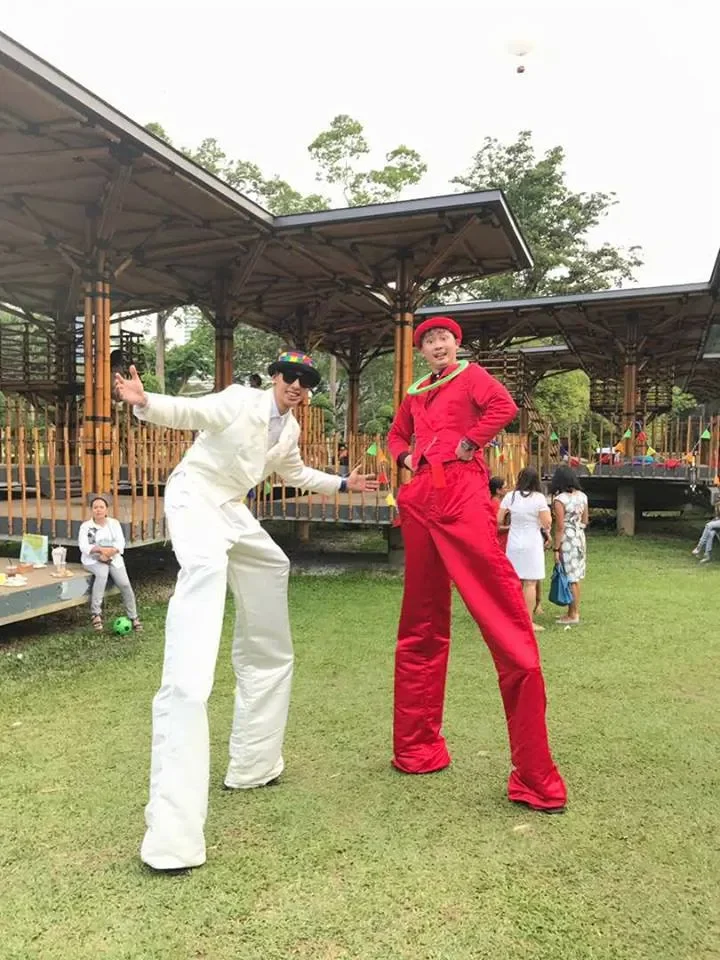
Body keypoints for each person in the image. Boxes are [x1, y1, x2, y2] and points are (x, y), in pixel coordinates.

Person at [113, 349, 378, 871]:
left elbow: (296, 472)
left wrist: (344, 484)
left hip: (232, 509)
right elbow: (193, 412)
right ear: (275, 378)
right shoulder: (238, 401)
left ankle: (254, 762)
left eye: (306, 382)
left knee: (272, 565)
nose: (297, 387)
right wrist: (146, 402)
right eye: (291, 378)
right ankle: (173, 837)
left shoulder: (290, 430)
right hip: (194, 496)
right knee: (207, 575)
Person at [387, 316, 567, 814]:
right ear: (422, 350)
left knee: (504, 619)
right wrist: (407, 459)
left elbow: (502, 407)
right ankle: (416, 749)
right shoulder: (417, 389)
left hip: (463, 493)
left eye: (443, 338)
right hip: (420, 498)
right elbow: (396, 437)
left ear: (455, 344)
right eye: (428, 340)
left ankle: (536, 777)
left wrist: (470, 443)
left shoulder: (471, 376)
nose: (436, 344)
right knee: (419, 625)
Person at [78, 495, 142, 633]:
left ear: (106, 509)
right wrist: (101, 551)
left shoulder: (114, 523)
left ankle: (133, 616)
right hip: (93, 558)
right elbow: (84, 546)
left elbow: (120, 543)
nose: (98, 510)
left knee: (124, 583)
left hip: (113, 557)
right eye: (95, 507)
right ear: (92, 510)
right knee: (102, 574)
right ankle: (96, 614)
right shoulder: (86, 527)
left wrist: (109, 553)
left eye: (101, 507)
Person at [499, 467, 551, 633]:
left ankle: (510, 618)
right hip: (532, 542)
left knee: (514, 581)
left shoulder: (510, 496)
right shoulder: (538, 498)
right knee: (530, 582)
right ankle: (528, 621)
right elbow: (546, 522)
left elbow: (498, 518)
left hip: (514, 541)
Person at [550, 465, 589, 625]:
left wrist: (556, 548)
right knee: (576, 576)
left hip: (567, 539)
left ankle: (573, 614)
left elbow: (559, 526)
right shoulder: (583, 496)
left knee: (570, 577)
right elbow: (585, 520)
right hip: (579, 537)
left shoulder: (560, 500)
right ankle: (573, 611)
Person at [489, 475, 509, 551]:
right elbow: (497, 528)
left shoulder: (500, 503)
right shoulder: (495, 504)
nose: (507, 490)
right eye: (505, 487)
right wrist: (512, 527)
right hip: (499, 544)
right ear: (498, 490)